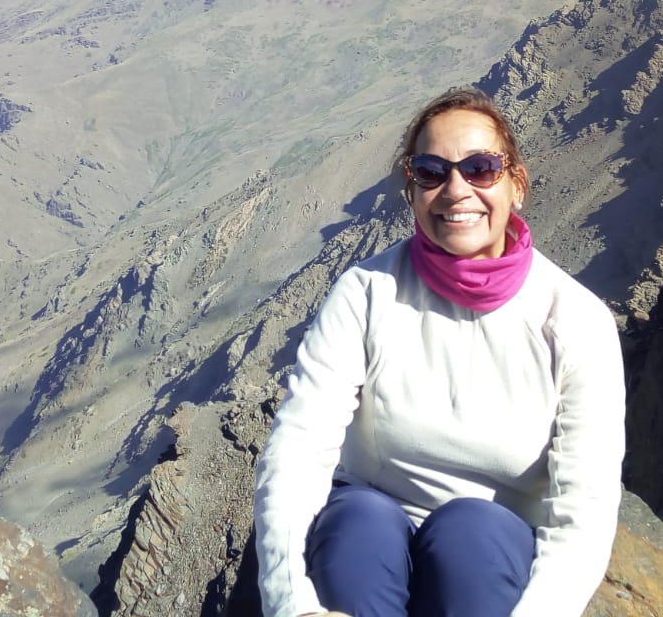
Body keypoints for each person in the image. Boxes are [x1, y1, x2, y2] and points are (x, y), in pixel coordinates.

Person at [252, 87, 624, 617]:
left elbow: (583, 504)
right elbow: (298, 448)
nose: (456, 190)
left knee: (470, 532)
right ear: (412, 189)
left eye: (480, 167)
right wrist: (294, 604)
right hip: (370, 539)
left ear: (516, 184)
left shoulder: (575, 319)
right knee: (359, 524)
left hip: (492, 552)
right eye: (430, 171)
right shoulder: (367, 292)